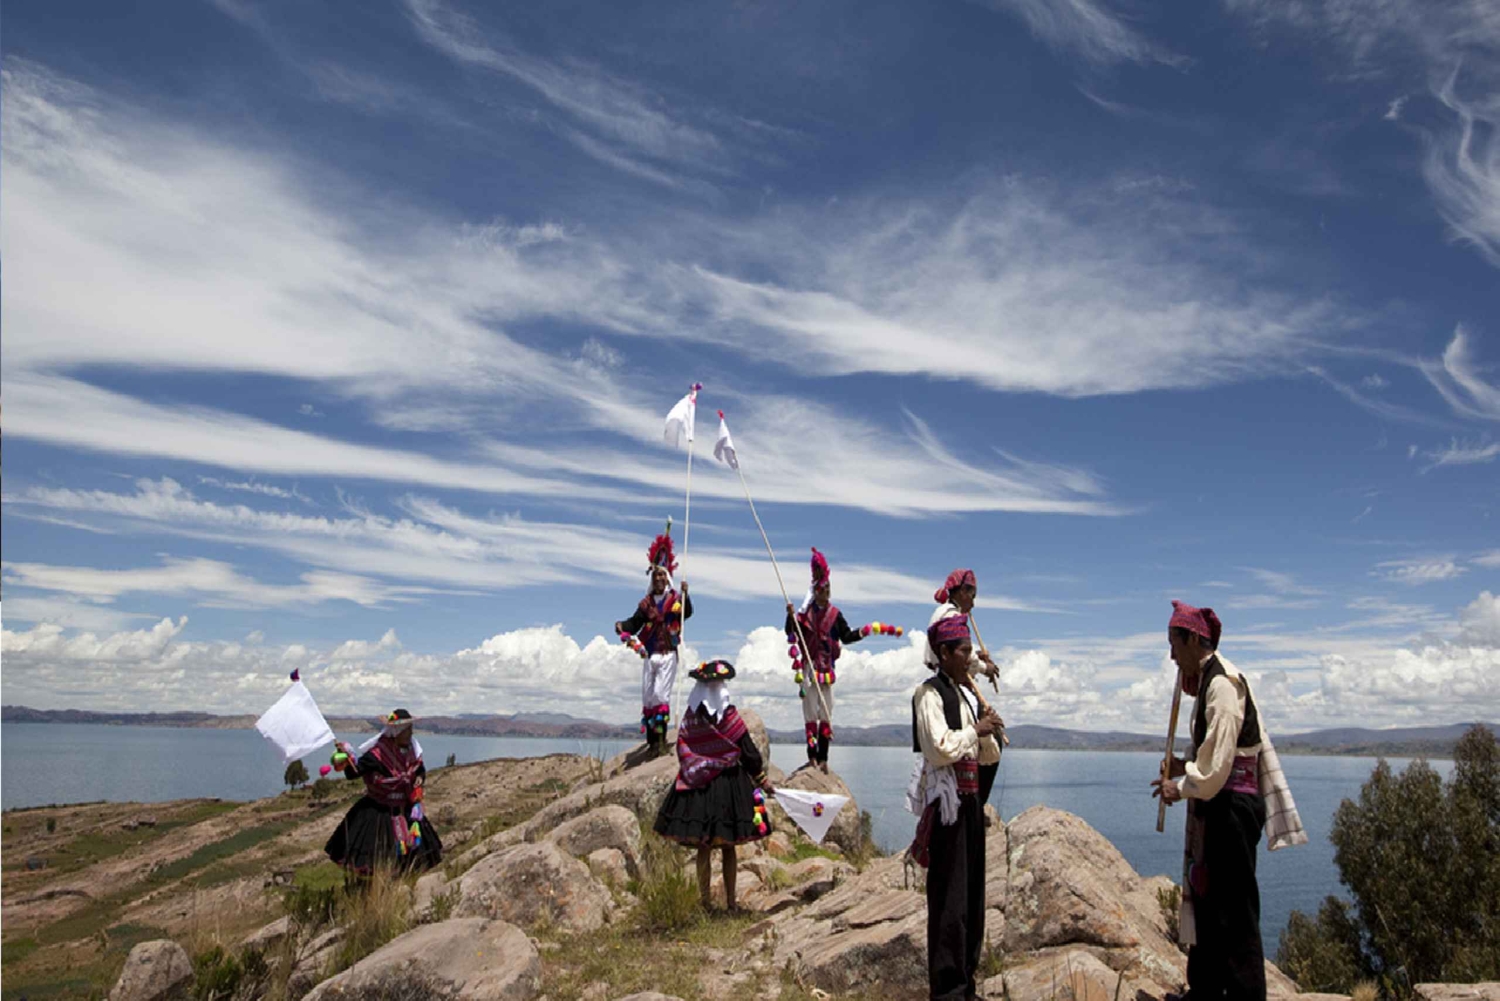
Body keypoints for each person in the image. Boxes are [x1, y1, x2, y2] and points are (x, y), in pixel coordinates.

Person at [1151, 601, 1305, 1001]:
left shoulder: (1222, 684)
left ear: (1192, 639)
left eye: (1173, 644)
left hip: (1233, 808)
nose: (1171, 655)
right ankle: (1204, 991)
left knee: (1234, 910)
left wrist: (1181, 786)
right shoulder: (1206, 681)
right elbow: (1212, 756)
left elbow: (1219, 765)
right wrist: (1184, 765)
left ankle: (1243, 995)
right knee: (1207, 900)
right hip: (1219, 802)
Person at [908, 615, 1003, 1001]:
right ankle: (947, 991)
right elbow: (939, 747)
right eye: (963, 651)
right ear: (944, 653)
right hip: (948, 812)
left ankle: (967, 983)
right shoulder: (928, 693)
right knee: (949, 901)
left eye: (968, 650)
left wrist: (990, 731)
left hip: (969, 806)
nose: (969, 659)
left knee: (972, 899)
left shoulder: (965, 694)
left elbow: (984, 756)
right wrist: (974, 732)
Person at [653, 659, 773, 911]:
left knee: (703, 848)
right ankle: (730, 902)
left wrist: (696, 766)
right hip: (729, 786)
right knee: (729, 846)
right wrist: (761, 777)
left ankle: (705, 901)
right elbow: (747, 750)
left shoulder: (691, 718)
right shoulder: (729, 717)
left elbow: (682, 746)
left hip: (698, 787)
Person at [325, 709, 442, 875]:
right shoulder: (377, 754)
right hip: (379, 812)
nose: (411, 733)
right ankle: (374, 892)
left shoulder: (412, 751)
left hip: (406, 809)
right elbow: (353, 773)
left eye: (410, 728)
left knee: (409, 859)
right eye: (407, 729)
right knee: (378, 859)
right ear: (396, 732)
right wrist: (347, 757)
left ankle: (398, 888)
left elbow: (420, 769)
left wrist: (420, 779)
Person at [926, 569, 1005, 813]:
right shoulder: (950, 614)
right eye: (972, 594)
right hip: (954, 682)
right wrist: (984, 666)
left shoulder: (949, 613)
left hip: (955, 679)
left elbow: (962, 654)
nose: (973, 601)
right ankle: (975, 803)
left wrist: (974, 658)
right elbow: (957, 656)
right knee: (993, 738)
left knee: (990, 737)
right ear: (961, 592)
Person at [615, 525, 693, 757]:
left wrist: (686, 595)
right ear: (652, 578)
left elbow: (686, 614)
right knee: (648, 695)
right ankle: (652, 742)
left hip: (668, 651)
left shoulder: (675, 600)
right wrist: (622, 626)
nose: (659, 579)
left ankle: (660, 743)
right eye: (656, 575)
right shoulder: (646, 603)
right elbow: (634, 623)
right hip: (650, 652)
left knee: (660, 694)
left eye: (662, 575)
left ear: (667, 577)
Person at [784, 547, 864, 772]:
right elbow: (791, 631)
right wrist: (790, 615)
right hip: (809, 668)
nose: (826, 592)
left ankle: (824, 758)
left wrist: (863, 632)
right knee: (810, 714)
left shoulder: (835, 614)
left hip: (826, 669)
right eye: (822, 588)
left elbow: (846, 636)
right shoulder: (804, 614)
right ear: (815, 591)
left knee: (826, 714)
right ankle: (812, 758)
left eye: (828, 588)